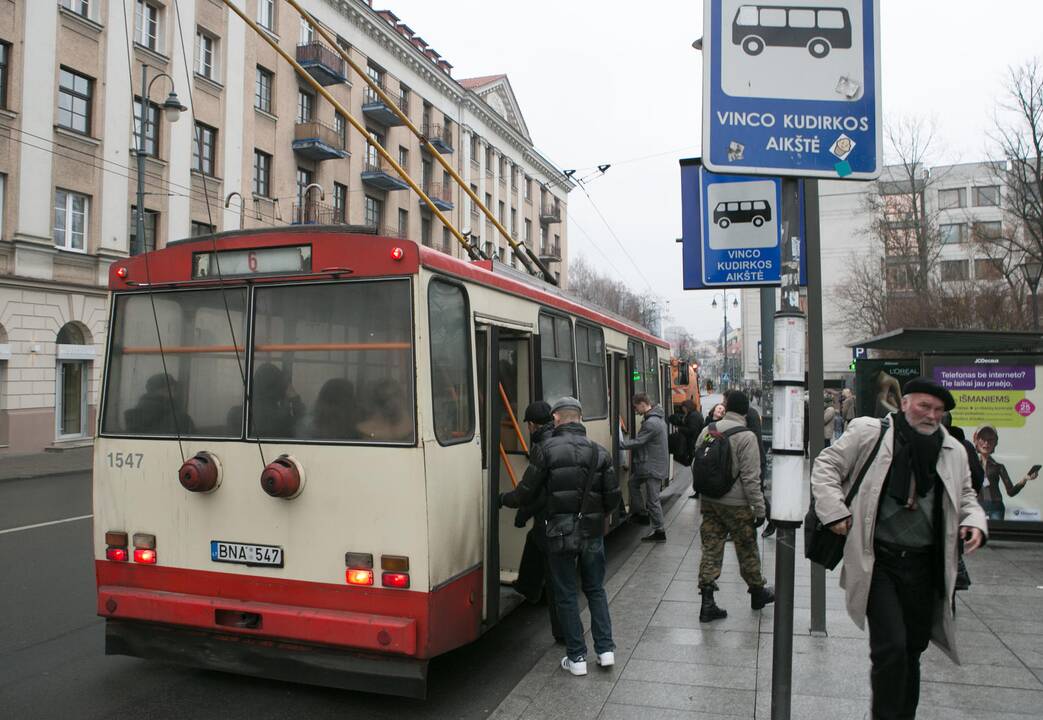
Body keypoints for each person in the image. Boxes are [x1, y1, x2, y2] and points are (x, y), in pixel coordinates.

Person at [811, 377, 987, 720]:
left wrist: (974, 520)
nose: (932, 415)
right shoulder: (870, 433)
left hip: (925, 567)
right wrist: (834, 511)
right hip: (879, 562)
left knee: (912, 650)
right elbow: (826, 465)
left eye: (938, 410)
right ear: (905, 403)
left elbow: (966, 497)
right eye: (924, 406)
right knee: (890, 648)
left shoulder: (952, 451)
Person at [500, 397, 619, 677]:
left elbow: (527, 493)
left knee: (565, 593)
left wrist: (503, 499)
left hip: (559, 532)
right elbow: (612, 500)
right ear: (580, 418)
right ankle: (605, 651)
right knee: (595, 590)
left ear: (556, 419)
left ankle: (577, 657)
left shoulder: (547, 450)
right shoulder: (599, 452)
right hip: (591, 533)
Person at [694, 390, 774, 622]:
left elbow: (696, 462)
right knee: (747, 548)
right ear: (745, 411)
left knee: (710, 548)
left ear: (727, 408)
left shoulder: (708, 430)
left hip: (710, 501)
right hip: (737, 504)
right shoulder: (746, 436)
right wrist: (760, 510)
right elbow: (751, 478)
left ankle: (707, 603)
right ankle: (757, 593)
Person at [510, 401, 564, 643]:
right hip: (562, 517)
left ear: (531, 425)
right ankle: (528, 588)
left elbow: (531, 490)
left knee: (556, 581)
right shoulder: (559, 438)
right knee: (537, 545)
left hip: (551, 519)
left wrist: (507, 501)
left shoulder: (542, 447)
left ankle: (563, 633)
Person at [619, 392, 670, 542]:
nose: (635, 410)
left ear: (643, 404)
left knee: (653, 500)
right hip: (649, 464)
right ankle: (641, 514)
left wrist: (619, 444)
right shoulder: (657, 418)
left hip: (651, 467)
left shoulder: (651, 423)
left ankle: (660, 531)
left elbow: (639, 442)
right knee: (632, 483)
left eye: (636, 407)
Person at [972, 424, 1038, 521]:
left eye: (990, 440)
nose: (986, 443)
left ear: (995, 443)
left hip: (996, 508)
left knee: (997, 535)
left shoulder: (999, 467)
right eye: (982, 439)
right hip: (977, 507)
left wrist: (1025, 479)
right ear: (976, 441)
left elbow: (1011, 492)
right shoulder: (972, 464)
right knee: (978, 535)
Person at [668, 399, 704, 466]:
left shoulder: (693, 416)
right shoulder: (693, 414)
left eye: (684, 408)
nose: (683, 409)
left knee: (690, 460)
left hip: (692, 442)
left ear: (687, 407)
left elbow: (692, 430)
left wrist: (679, 429)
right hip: (692, 441)